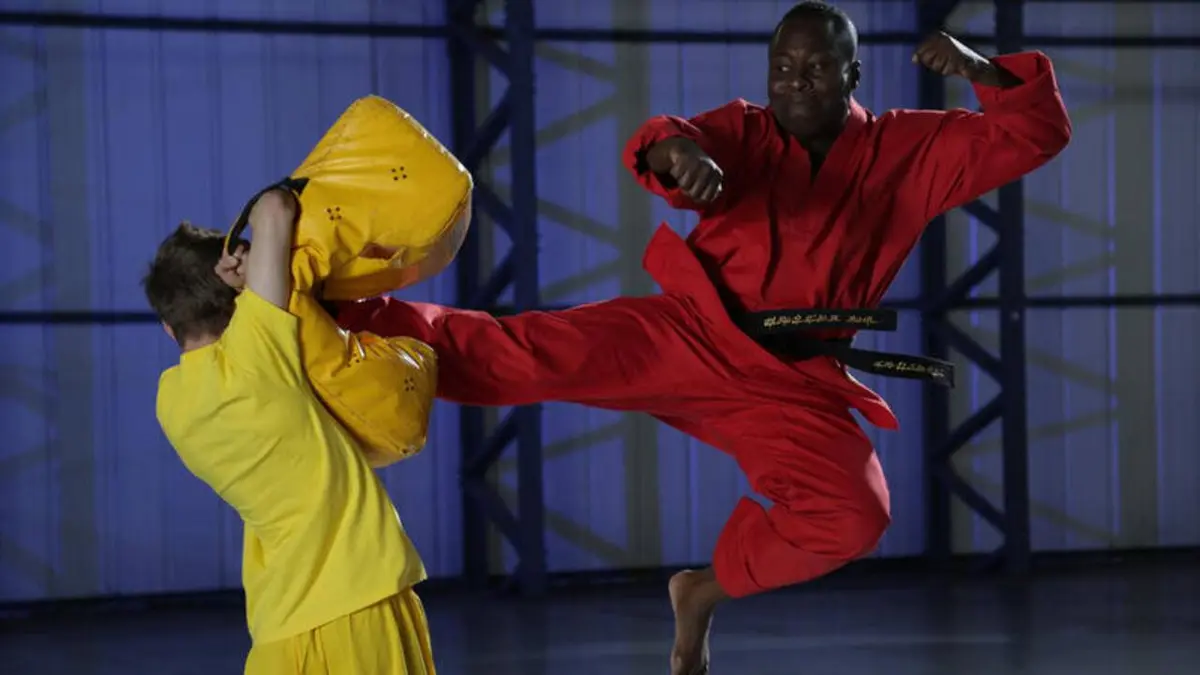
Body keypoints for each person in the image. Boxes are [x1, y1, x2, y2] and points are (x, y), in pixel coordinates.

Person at [333, 2, 1071, 673]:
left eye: (817, 67)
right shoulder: (746, 131)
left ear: (853, 74)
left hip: (790, 378)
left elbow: (1034, 133)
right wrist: (680, 158)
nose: (796, 82)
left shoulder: (911, 149)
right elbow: (668, 140)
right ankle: (347, 321)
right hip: (691, 331)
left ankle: (702, 591)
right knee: (525, 351)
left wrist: (982, 71)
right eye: (782, 67)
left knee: (853, 514)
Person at [143, 189, 437, 674]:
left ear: (168, 329)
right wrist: (251, 256)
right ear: (237, 298)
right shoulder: (257, 351)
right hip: (358, 604)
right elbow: (276, 209)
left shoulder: (170, 402)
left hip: (278, 629)